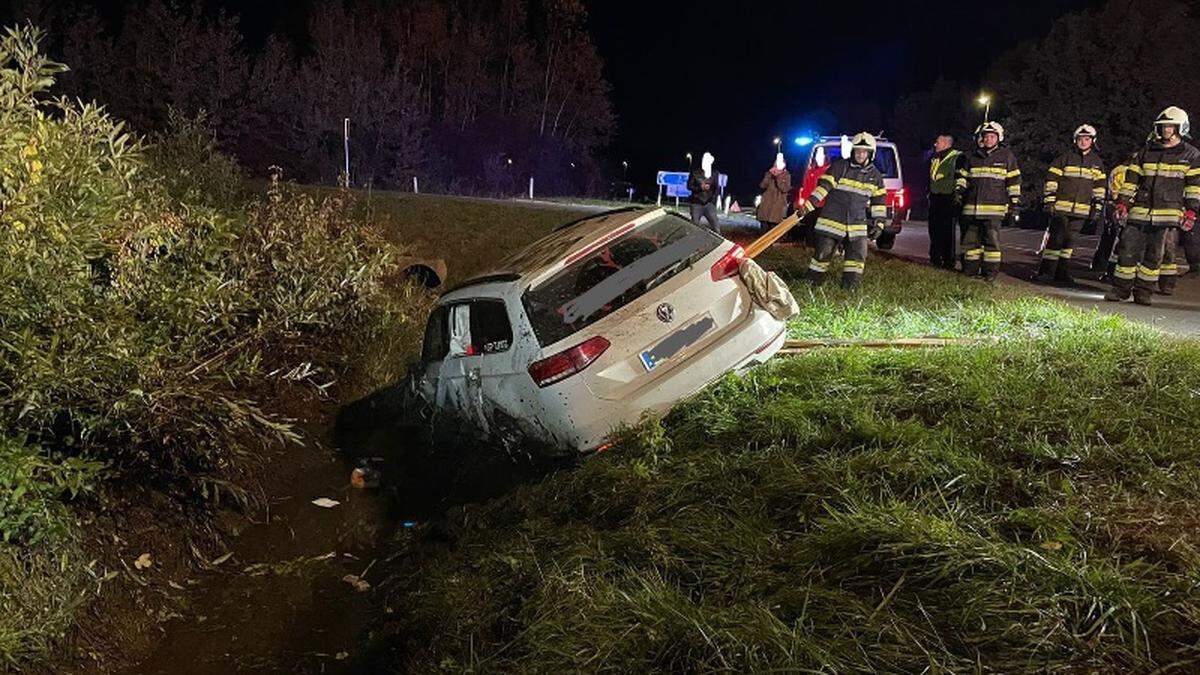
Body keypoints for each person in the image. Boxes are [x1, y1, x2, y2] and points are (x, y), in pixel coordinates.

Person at [1106, 106, 1200, 306]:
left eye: (1170, 126)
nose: (1166, 130)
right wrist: (1122, 203)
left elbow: (1194, 187)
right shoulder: (1146, 150)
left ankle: (1144, 293)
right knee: (1127, 250)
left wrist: (1192, 210)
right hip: (1139, 210)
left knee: (1154, 257)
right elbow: (1131, 180)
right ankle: (1120, 290)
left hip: (1167, 214)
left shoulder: (1191, 155)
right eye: (1163, 126)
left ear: (1180, 128)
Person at [796, 132, 887, 290]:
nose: (860, 154)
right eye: (857, 151)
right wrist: (809, 206)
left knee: (857, 259)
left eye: (864, 151)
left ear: (871, 153)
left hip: (857, 225)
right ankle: (811, 285)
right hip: (831, 221)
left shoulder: (876, 176)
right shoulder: (839, 167)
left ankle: (850, 289)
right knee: (822, 255)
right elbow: (823, 188)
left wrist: (879, 223)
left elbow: (879, 202)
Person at [1035, 124, 1106, 284]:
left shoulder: (1097, 163)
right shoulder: (1064, 159)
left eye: (1087, 139)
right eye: (1080, 139)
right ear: (1075, 140)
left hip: (1081, 211)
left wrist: (1097, 207)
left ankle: (1062, 272)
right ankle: (1046, 272)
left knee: (1070, 243)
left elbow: (1099, 188)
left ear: (1092, 141)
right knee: (1056, 241)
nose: (1083, 142)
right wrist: (1050, 201)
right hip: (1061, 209)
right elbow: (1051, 181)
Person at [955, 121, 1021, 280]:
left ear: (998, 138)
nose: (988, 139)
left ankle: (990, 274)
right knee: (970, 244)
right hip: (971, 209)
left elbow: (1013, 182)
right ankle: (970, 271)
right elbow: (962, 178)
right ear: (981, 138)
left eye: (992, 136)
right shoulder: (971, 157)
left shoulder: (1007, 157)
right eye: (986, 136)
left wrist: (1014, 204)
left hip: (994, 211)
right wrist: (958, 192)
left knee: (992, 244)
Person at [927, 134, 963, 269]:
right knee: (934, 230)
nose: (935, 145)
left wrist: (957, 196)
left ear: (947, 144)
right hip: (935, 198)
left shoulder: (957, 157)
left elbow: (959, 177)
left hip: (948, 198)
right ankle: (935, 258)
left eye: (938, 142)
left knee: (947, 231)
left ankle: (948, 261)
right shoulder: (935, 158)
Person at [757, 153, 791, 233]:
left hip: (777, 208)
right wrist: (769, 175)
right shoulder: (769, 173)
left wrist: (778, 177)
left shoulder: (786, 175)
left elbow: (784, 189)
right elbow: (762, 186)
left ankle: (770, 245)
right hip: (766, 205)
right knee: (763, 229)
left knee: (772, 230)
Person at [687, 152, 720, 233]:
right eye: (705, 160)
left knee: (716, 228)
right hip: (696, 204)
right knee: (694, 228)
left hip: (709, 204)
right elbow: (689, 186)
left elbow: (716, 188)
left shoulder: (715, 173)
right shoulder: (695, 172)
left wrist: (713, 202)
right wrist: (700, 187)